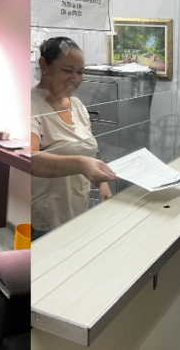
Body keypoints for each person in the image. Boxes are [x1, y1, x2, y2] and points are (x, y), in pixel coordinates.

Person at [31, 37, 118, 240]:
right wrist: (81, 164)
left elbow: (85, 150)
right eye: (67, 71)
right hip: (44, 219)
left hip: (76, 211)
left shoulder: (77, 106)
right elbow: (30, 159)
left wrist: (102, 183)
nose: (76, 79)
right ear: (44, 65)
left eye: (80, 72)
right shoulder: (31, 106)